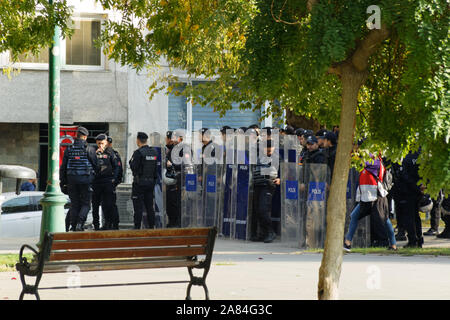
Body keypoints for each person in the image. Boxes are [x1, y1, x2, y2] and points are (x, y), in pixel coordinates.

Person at [344, 154, 397, 251]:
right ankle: (347, 242)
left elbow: (367, 163)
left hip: (377, 197)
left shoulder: (376, 162)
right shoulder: (366, 162)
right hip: (365, 198)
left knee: (385, 220)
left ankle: (393, 244)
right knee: (354, 216)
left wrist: (357, 156)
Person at [60, 126, 98, 231]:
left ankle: (73, 225)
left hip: (71, 181)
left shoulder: (69, 149)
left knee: (74, 204)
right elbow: (96, 165)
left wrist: (63, 182)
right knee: (86, 204)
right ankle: (80, 223)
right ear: (85, 137)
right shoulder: (89, 149)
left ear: (76, 136)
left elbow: (63, 167)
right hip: (86, 181)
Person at [251, 139, 280, 243]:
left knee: (263, 210)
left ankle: (270, 232)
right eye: (266, 150)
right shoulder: (258, 156)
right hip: (257, 185)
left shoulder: (275, 158)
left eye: (270, 151)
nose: (268, 153)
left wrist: (279, 178)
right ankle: (262, 233)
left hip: (267, 185)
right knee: (257, 211)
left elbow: (280, 170)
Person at [394, 150, 424, 248]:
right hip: (418, 190)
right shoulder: (420, 155)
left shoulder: (406, 157)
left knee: (408, 217)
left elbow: (404, 175)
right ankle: (419, 239)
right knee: (416, 216)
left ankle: (412, 240)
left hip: (407, 191)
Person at [129, 132, 158, 229]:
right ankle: (152, 227)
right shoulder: (154, 152)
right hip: (150, 183)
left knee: (138, 208)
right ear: (146, 140)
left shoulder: (138, 153)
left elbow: (134, 167)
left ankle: (137, 228)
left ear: (138, 140)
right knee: (150, 207)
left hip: (139, 183)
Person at [91, 134, 120, 230]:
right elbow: (90, 166)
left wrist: (114, 179)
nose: (100, 145)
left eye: (102, 143)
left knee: (109, 205)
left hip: (107, 182)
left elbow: (116, 167)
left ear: (106, 142)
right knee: (95, 205)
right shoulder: (93, 152)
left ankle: (109, 224)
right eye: (98, 143)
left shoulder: (110, 152)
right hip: (96, 182)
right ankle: (96, 225)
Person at [165, 130, 183, 228]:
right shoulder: (173, 149)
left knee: (177, 202)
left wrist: (173, 165)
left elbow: (185, 163)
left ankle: (178, 222)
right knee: (170, 202)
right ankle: (172, 221)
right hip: (170, 179)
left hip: (179, 178)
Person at [107, 136, 123, 229]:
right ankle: (108, 223)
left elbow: (119, 169)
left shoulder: (114, 154)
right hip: (105, 183)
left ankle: (114, 223)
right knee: (107, 204)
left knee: (111, 204)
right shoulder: (103, 153)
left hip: (111, 183)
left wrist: (115, 181)